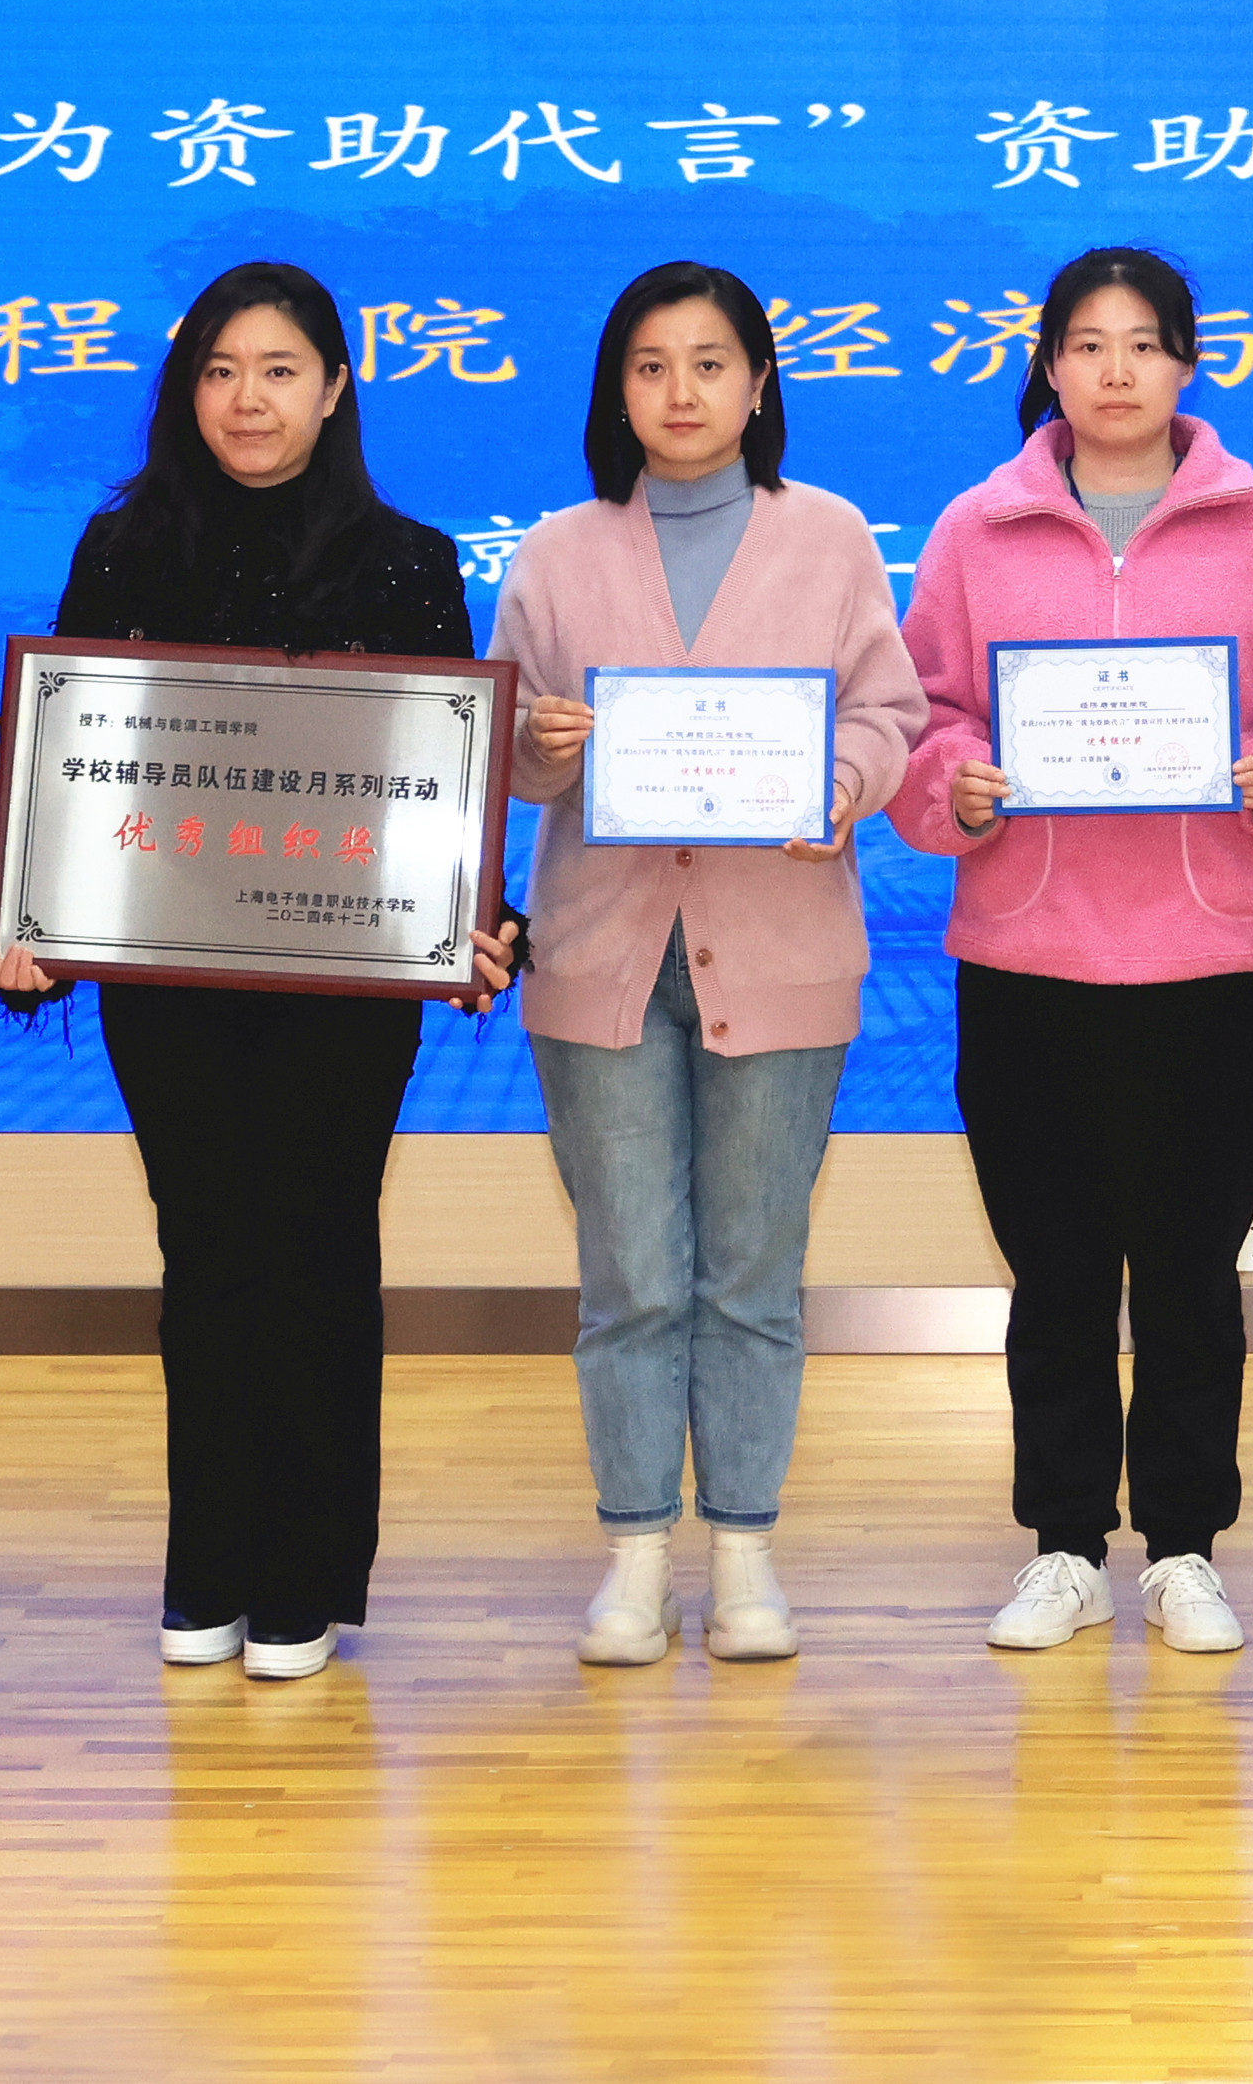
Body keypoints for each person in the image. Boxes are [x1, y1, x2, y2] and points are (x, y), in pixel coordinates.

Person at [0, 265, 510, 1684]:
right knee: (207, 1253)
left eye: (280, 370)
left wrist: (472, 920)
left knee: (321, 1250)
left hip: (344, 992)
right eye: (220, 371)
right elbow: (71, 768)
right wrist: (29, 927)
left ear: (335, 388)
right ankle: (208, 1563)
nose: (248, 400)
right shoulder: (122, 549)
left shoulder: (409, 562)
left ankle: (304, 1575)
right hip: (174, 991)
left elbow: (439, 789)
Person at [890, 244, 1253, 1660]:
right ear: (1047, 363)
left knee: (1188, 1274)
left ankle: (1183, 1547)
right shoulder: (975, 530)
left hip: (1212, 961)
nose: (1116, 371)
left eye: (1145, 344)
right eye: (1089, 345)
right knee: (1053, 1275)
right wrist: (959, 783)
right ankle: (1060, 1546)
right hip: (1027, 958)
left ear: (1188, 362)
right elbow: (924, 718)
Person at [489, 263, 930, 1669]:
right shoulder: (557, 553)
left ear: (758, 383)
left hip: (784, 949)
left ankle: (743, 1553)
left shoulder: (831, 537)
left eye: (709, 363)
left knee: (751, 1276)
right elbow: (501, 753)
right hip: (601, 953)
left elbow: (888, 712)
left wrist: (839, 785)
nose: (680, 392)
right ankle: (634, 1557)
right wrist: (534, 747)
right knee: (630, 1277)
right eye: (650, 366)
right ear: (615, 390)